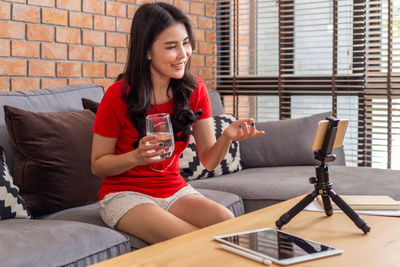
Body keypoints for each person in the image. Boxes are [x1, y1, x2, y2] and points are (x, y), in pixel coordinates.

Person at [91, 2, 264, 244]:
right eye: (171, 47)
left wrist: (227, 137)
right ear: (147, 51)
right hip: (125, 194)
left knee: (230, 226)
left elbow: (209, 160)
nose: (183, 54)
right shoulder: (117, 95)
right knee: (194, 242)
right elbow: (98, 165)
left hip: (174, 189)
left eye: (185, 43)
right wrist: (137, 157)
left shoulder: (195, 90)